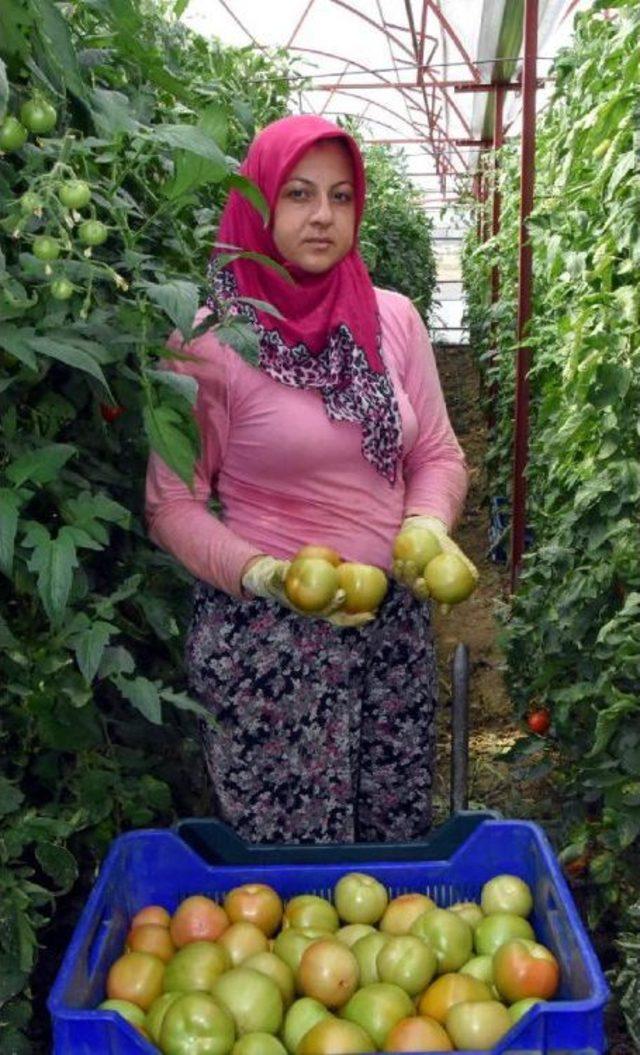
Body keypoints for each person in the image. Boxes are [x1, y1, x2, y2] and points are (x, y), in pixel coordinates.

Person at [145, 114, 475, 846]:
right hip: (269, 643)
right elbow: (172, 502)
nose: (323, 216)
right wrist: (261, 573)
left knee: (386, 861)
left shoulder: (392, 320)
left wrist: (424, 523)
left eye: (341, 196)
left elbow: (439, 454)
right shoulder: (209, 338)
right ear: (258, 205)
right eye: (297, 194)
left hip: (389, 630)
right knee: (287, 872)